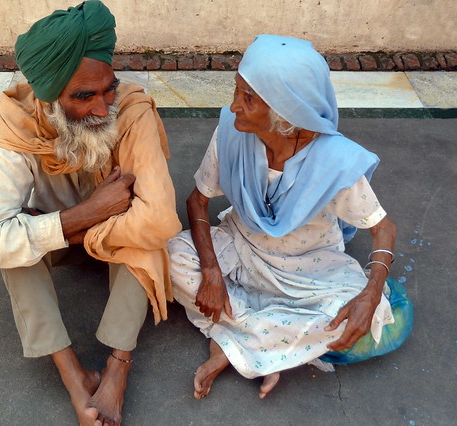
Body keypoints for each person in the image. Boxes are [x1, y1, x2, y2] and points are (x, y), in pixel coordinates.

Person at [0, 2, 181, 425]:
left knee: (147, 237)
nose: (104, 109)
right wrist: (87, 214)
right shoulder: (19, 121)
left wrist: (75, 229)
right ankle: (74, 375)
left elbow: (158, 218)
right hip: (81, 230)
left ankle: (118, 366)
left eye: (109, 88)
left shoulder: (131, 110)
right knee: (11, 246)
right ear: (48, 99)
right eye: (84, 96)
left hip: (112, 236)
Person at [168, 35, 409, 400]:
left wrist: (371, 294)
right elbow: (197, 202)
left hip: (309, 269)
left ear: (286, 111)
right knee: (171, 258)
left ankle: (231, 339)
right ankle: (271, 343)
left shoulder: (335, 161)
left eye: (248, 98)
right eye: (237, 90)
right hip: (241, 247)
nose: (234, 106)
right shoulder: (231, 134)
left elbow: (383, 228)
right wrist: (213, 272)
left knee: (373, 318)